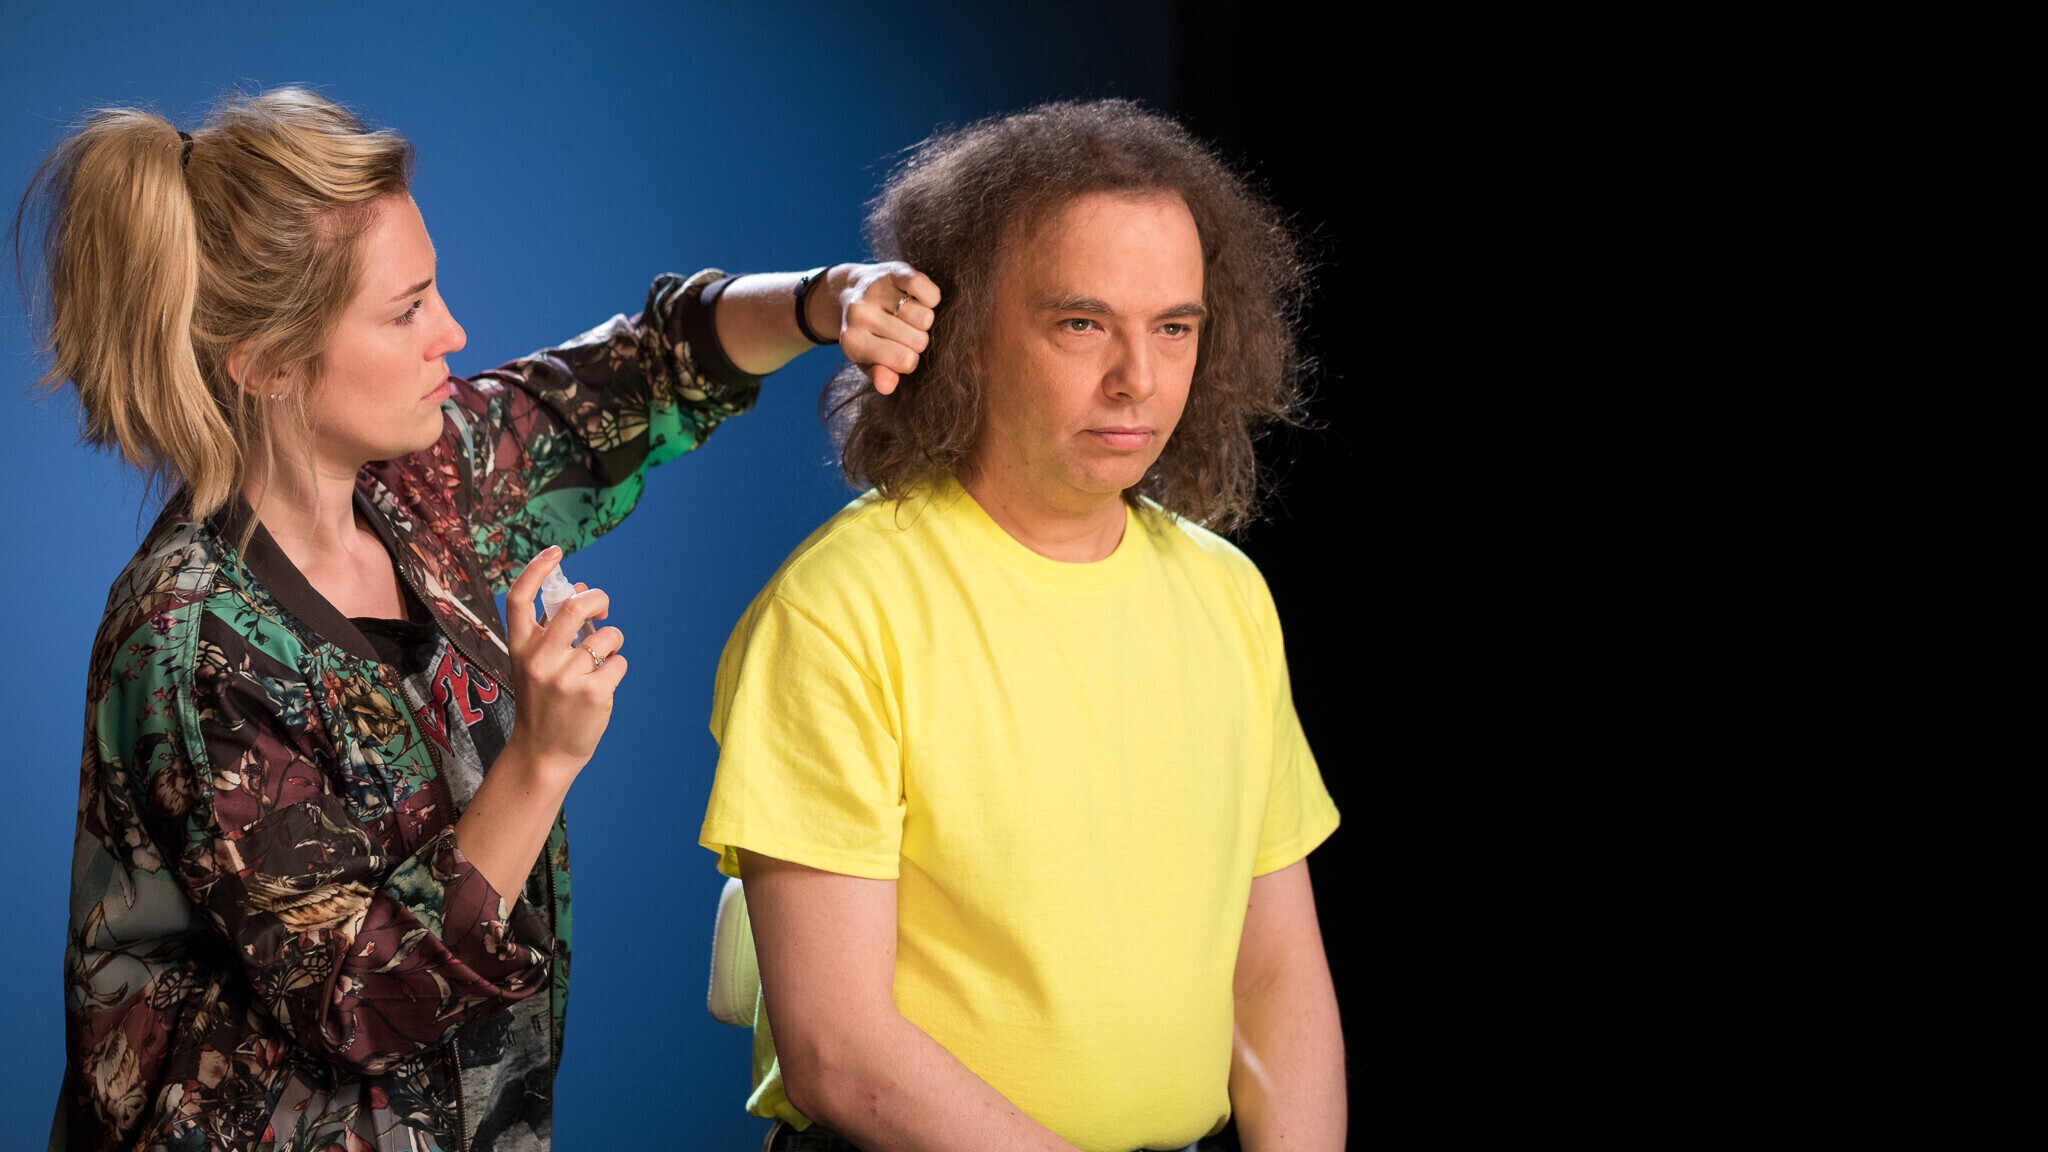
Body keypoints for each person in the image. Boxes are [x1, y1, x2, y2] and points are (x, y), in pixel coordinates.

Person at [24, 88, 938, 1152]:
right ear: (266, 362)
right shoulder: (190, 643)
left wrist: (829, 299)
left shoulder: (422, 486)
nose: (452, 333)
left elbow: (650, 368)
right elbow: (358, 1005)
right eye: (405, 310)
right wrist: (539, 761)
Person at [698, 100, 1344, 1152]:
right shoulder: (841, 608)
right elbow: (839, 1050)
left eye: (1173, 328)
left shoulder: (1226, 594)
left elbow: (1273, 977)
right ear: (963, 339)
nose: (1138, 379)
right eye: (1082, 324)